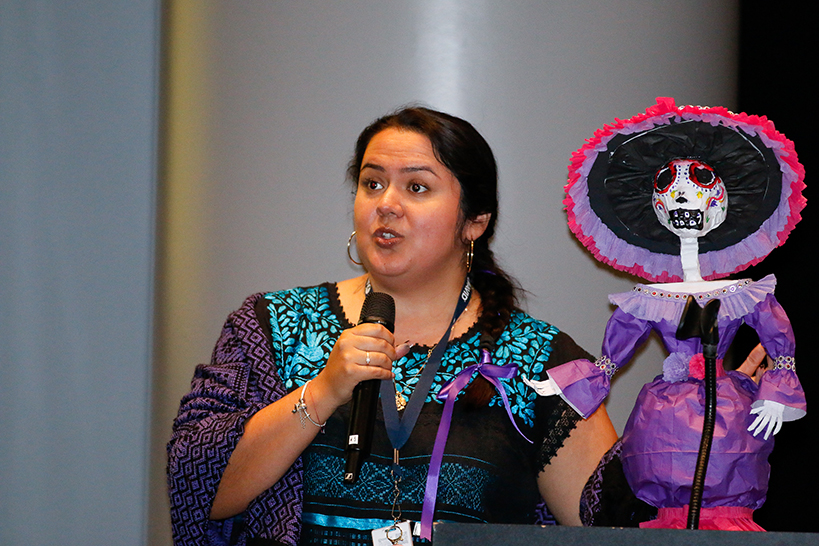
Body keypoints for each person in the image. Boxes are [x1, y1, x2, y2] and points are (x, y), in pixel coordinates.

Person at [167, 106, 618, 546]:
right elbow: (198, 491)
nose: (386, 204)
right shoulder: (273, 326)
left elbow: (615, 528)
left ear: (475, 223)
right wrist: (323, 391)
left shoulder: (538, 360)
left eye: (417, 187)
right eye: (372, 183)